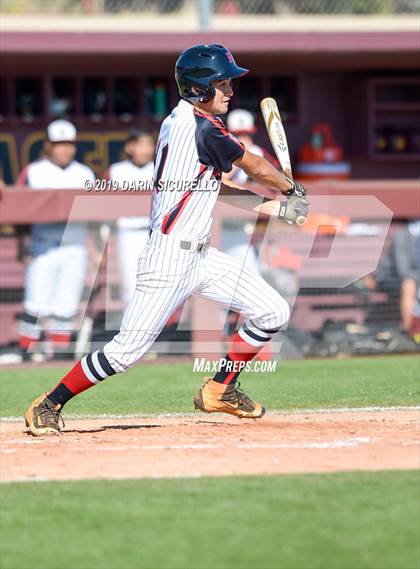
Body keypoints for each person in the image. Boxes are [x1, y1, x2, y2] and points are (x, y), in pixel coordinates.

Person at [25, 44, 308, 436]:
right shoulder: (201, 127)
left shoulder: (187, 123)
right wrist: (291, 188)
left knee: (273, 311)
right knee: (124, 352)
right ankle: (50, 403)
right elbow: (254, 165)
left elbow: (218, 191)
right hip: (169, 258)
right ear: (198, 89)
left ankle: (219, 388)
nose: (229, 91)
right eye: (221, 84)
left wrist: (278, 207)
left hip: (201, 258)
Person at [17, 120, 95, 360]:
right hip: (43, 244)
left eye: (68, 144)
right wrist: (22, 245)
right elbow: (17, 210)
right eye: (59, 144)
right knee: (35, 304)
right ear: (48, 145)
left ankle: (59, 356)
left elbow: (97, 214)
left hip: (75, 245)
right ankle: (27, 354)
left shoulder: (84, 172)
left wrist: (97, 248)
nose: (64, 149)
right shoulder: (33, 171)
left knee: (67, 305)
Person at [107, 128, 155, 305]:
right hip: (128, 233)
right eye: (141, 145)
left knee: (157, 285)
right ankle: (132, 330)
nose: (146, 150)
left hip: (154, 234)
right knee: (131, 286)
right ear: (129, 147)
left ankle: (157, 332)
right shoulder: (116, 171)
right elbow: (104, 208)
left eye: (149, 145)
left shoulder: (160, 169)